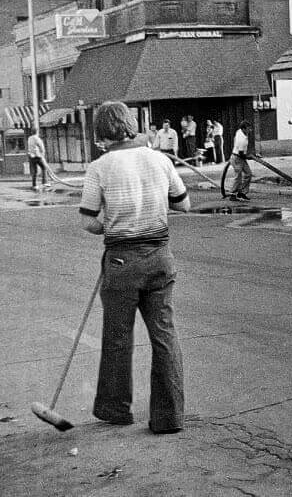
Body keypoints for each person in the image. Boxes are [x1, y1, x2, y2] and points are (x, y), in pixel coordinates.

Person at [78, 101, 189, 434]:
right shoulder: (159, 159)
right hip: (159, 256)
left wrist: (110, 228)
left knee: (117, 337)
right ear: (130, 125)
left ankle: (116, 409)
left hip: (121, 260)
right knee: (165, 335)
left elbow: (87, 221)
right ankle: (169, 417)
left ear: (102, 133)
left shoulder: (100, 167)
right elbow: (183, 203)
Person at [229, 121, 253, 201]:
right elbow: (241, 153)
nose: (250, 130)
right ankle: (233, 194)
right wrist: (249, 157)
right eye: (248, 129)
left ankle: (242, 193)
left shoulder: (239, 131)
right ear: (243, 129)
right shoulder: (242, 139)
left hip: (240, 157)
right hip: (237, 158)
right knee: (238, 177)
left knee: (248, 174)